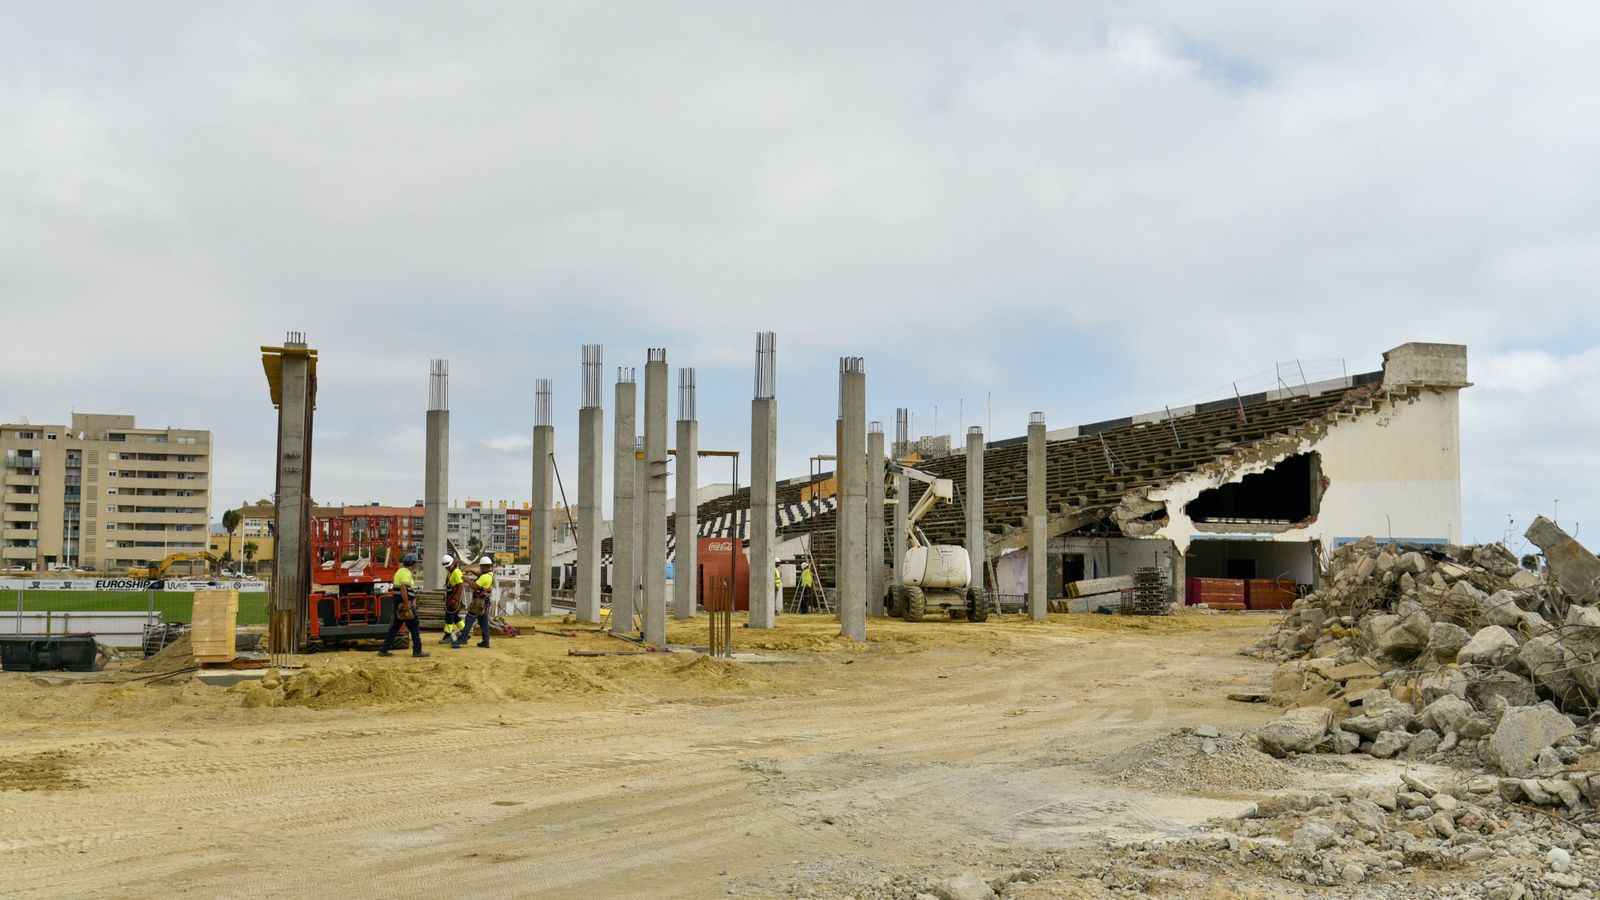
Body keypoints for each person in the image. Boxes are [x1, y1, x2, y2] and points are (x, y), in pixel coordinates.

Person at [378, 553, 430, 658]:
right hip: (405, 605)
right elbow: (403, 588)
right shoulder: (406, 573)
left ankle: (383, 650)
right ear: (413, 563)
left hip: (398, 605)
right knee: (414, 626)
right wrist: (407, 604)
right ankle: (417, 651)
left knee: (394, 627)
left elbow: (396, 588)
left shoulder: (399, 571)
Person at [454, 557, 495, 649]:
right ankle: (486, 641)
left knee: (469, 619)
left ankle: (463, 638)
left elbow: (474, 586)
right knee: (483, 622)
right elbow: (480, 574)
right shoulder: (490, 574)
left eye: (481, 566)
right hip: (484, 602)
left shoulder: (484, 577)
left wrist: (467, 579)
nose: (480, 568)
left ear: (484, 566)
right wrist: (471, 570)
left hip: (478, 602)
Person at [439, 554, 465, 644]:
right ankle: (464, 631)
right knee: (455, 617)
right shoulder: (451, 571)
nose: (447, 568)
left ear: (452, 564)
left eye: (448, 566)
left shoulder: (456, 572)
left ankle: (447, 635)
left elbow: (461, 585)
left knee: (449, 616)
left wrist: (456, 599)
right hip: (450, 596)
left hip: (454, 597)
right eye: (446, 567)